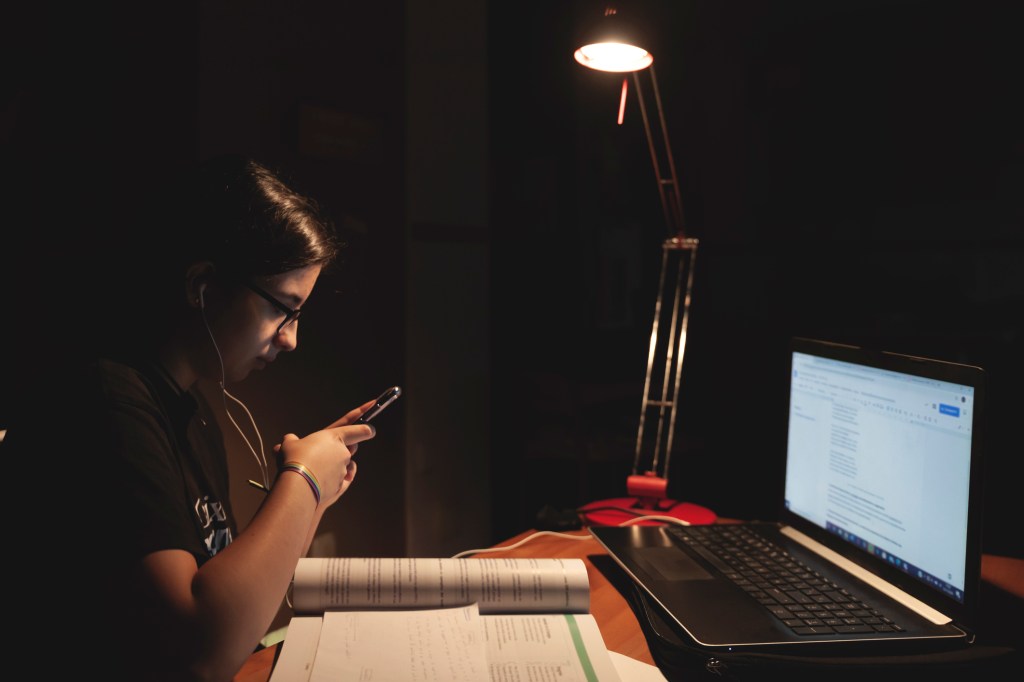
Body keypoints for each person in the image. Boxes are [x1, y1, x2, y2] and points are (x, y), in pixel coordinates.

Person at [1, 154, 377, 681]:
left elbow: (236, 610)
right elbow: (197, 652)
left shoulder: (192, 411)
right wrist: (304, 481)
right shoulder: (104, 406)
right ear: (202, 286)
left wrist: (316, 498)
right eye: (282, 310)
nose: (291, 339)